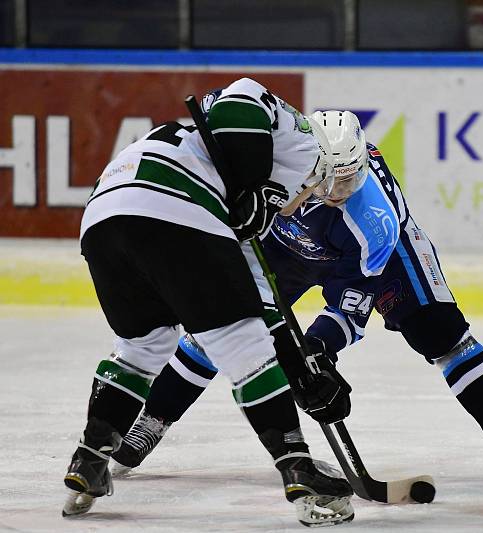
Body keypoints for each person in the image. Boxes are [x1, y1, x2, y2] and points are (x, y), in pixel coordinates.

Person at [110, 109, 483, 483]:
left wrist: (316, 349)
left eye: (350, 179)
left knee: (441, 334)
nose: (337, 192)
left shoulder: (376, 223)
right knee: (218, 323)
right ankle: (152, 419)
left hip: (366, 255)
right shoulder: (278, 158)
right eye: (329, 180)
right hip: (286, 243)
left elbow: (351, 307)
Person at [63, 78, 354, 527]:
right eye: (317, 192)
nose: (307, 202)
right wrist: (254, 182)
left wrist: (299, 367)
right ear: (323, 170)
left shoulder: (234, 196)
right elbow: (240, 96)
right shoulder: (304, 145)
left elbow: (262, 301)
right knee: (243, 347)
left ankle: (89, 459)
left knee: (143, 346)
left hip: (105, 215)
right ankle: (298, 469)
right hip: (174, 204)